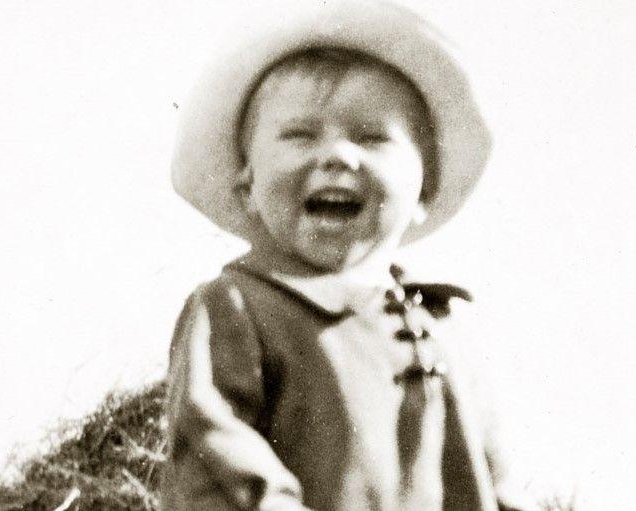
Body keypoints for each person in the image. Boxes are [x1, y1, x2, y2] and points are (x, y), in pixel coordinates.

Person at [162, 2, 526, 509]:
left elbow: (495, 481)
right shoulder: (238, 307)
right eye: (299, 135)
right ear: (247, 182)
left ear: (426, 188)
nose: (337, 155)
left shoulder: (443, 326)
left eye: (373, 137)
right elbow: (217, 456)